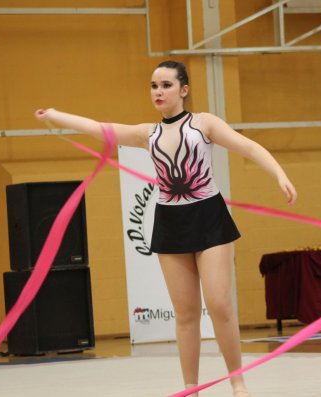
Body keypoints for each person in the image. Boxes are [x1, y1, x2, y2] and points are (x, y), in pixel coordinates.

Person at [35, 60, 297, 397]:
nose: (158, 92)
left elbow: (247, 146)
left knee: (219, 304)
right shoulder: (148, 133)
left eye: (166, 85)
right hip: (171, 224)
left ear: (184, 90)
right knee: (186, 313)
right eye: (154, 86)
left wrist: (279, 173)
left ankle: (238, 382)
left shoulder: (204, 124)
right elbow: (102, 128)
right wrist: (55, 115)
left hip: (209, 218)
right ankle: (191, 387)